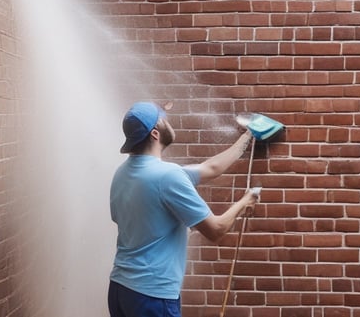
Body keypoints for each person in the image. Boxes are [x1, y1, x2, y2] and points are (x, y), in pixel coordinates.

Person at [108, 101, 258, 317]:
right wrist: (245, 202)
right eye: (163, 119)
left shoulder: (121, 174)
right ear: (155, 134)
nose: (169, 122)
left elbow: (211, 169)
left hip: (120, 290)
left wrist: (247, 137)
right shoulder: (168, 176)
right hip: (152, 296)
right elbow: (216, 230)